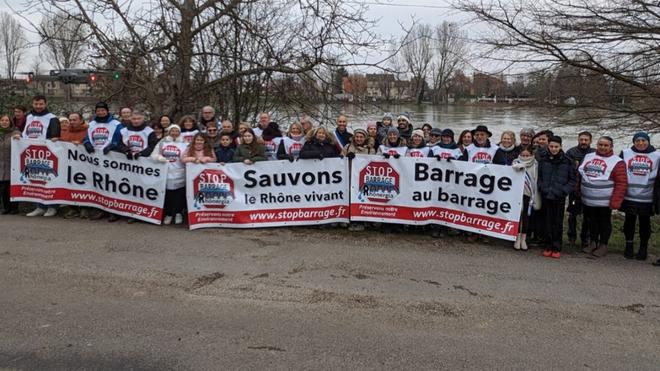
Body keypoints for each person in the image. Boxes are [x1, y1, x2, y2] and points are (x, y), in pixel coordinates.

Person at [577, 136, 627, 258]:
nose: (603, 147)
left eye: (606, 145)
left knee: (604, 222)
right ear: (597, 145)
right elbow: (580, 174)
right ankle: (593, 242)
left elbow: (621, 183)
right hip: (588, 198)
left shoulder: (617, 161)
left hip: (605, 200)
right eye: (600, 145)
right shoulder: (589, 156)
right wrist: (577, 189)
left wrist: (616, 201)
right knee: (592, 221)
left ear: (611, 147)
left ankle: (603, 244)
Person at [15, 95, 61, 217]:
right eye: (36, 104)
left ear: (45, 104)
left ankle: (52, 206)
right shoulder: (28, 117)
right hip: (31, 153)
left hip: (47, 153)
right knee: (35, 179)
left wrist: (54, 138)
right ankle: (39, 206)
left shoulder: (52, 118)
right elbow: (22, 131)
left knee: (49, 179)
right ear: (32, 104)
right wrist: (18, 136)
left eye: (41, 104)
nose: (38, 106)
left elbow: (55, 135)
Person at [619, 132, 659, 261]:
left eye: (643, 140)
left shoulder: (657, 155)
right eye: (637, 141)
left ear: (648, 141)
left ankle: (643, 248)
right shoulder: (625, 153)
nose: (640, 143)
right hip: (629, 195)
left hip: (647, 196)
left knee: (644, 222)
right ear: (633, 141)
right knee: (629, 221)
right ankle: (629, 246)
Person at [537, 136, 576, 259]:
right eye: (551, 146)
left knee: (557, 222)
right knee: (547, 222)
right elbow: (539, 177)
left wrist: (564, 191)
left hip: (559, 196)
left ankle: (556, 246)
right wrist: (542, 188)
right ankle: (547, 245)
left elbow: (573, 180)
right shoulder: (543, 160)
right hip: (547, 195)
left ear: (561, 147)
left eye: (556, 147)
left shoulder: (568, 161)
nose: (553, 149)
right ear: (548, 146)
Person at [152, 124, 188, 225]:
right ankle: (168, 214)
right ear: (169, 132)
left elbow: (189, 155)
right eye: (173, 131)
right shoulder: (163, 142)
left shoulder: (185, 143)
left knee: (179, 195)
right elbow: (153, 154)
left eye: (177, 131)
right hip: (165, 173)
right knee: (168, 195)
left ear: (180, 132)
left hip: (180, 173)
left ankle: (178, 213)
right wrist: (160, 158)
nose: (175, 133)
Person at [565, 131, 595, 250]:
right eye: (581, 139)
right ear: (578, 139)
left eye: (586, 140)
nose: (583, 142)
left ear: (590, 141)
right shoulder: (571, 152)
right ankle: (571, 238)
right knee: (572, 215)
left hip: (589, 189)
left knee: (588, 216)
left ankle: (585, 239)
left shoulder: (594, 153)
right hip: (574, 190)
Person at [512, 146, 540, 251]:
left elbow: (536, 179)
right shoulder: (515, 163)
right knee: (518, 216)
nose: (525, 157)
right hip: (517, 193)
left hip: (529, 194)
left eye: (527, 155)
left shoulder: (535, 164)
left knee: (526, 216)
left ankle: (523, 238)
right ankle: (517, 238)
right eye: (523, 155)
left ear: (531, 155)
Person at [0, 114, 19, 214]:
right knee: (3, 189)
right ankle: (6, 208)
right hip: (1, 166)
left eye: (6, 120)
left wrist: (18, 137)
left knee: (12, 187)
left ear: (10, 122)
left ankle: (14, 208)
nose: (4, 122)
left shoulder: (14, 132)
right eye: (2, 120)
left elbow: (21, 140)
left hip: (12, 165)